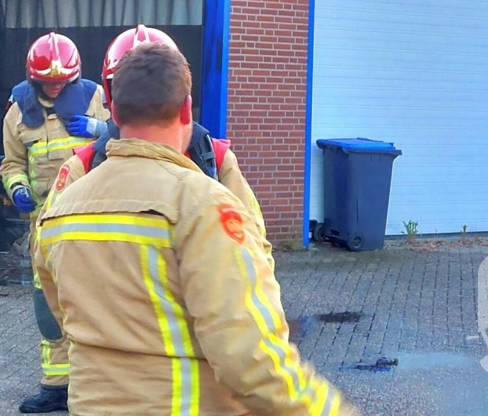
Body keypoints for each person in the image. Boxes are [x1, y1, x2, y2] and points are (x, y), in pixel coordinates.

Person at [34, 43, 358, 415]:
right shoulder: (202, 203)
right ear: (187, 109)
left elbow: (61, 308)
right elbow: (251, 362)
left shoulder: (64, 206)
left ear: (114, 110)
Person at [1, 32, 109, 412]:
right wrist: (17, 189)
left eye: (62, 81)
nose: (55, 86)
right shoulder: (17, 111)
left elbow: (131, 138)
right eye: (48, 82)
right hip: (44, 222)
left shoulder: (96, 98)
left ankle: (93, 384)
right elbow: (11, 163)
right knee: (47, 303)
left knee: (93, 301)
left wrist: (100, 131)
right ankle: (56, 384)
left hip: (92, 218)